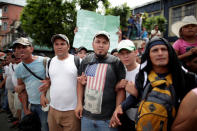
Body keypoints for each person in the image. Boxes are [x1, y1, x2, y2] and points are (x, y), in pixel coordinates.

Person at [110, 37, 197, 130]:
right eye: (155, 50)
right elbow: (136, 95)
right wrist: (121, 107)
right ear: (149, 55)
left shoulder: (186, 78)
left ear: (170, 53)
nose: (160, 53)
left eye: (163, 49)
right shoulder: (143, 76)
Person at [75, 31, 126, 131]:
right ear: (92, 44)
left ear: (109, 45)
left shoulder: (116, 62)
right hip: (86, 118)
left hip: (107, 119)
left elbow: (121, 89)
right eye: (98, 42)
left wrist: (116, 111)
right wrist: (79, 104)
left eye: (104, 42)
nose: (101, 45)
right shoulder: (86, 61)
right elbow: (80, 83)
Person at [40, 34, 80, 131]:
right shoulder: (50, 62)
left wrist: (80, 104)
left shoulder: (77, 61)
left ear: (68, 46)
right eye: (56, 44)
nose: (59, 47)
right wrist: (43, 95)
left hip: (72, 111)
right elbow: (48, 80)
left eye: (62, 44)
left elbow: (82, 82)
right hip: (53, 110)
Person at [14, 37, 49, 131]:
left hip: (46, 105)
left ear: (31, 48)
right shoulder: (18, 69)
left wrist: (49, 82)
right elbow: (22, 91)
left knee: (44, 128)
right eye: (17, 48)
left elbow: (56, 79)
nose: (20, 50)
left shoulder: (45, 61)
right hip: (31, 105)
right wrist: (25, 109)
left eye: (24, 47)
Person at [116, 40, 140, 130]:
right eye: (122, 53)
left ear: (136, 52)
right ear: (118, 56)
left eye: (128, 52)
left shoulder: (143, 71)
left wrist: (136, 92)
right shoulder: (122, 73)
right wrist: (117, 86)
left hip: (144, 118)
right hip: (128, 119)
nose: (125, 56)